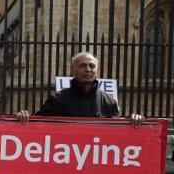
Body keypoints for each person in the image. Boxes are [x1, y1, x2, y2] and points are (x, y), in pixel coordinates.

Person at [15, 51, 144, 127]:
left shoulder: (109, 101)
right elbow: (37, 125)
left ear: (96, 71)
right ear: (73, 70)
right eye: (83, 66)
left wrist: (132, 119)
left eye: (92, 66)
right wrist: (23, 117)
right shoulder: (57, 99)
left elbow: (118, 130)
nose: (88, 69)